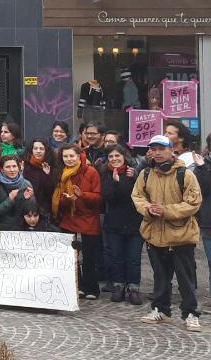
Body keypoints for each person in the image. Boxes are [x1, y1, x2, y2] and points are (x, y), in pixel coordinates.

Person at [132, 135, 202, 332]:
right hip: (155, 233)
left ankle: (190, 313)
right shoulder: (145, 173)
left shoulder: (185, 174)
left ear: (172, 150)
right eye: (153, 149)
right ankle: (161, 310)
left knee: (185, 278)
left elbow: (193, 203)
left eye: (161, 149)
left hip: (181, 236)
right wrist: (147, 208)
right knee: (160, 276)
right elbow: (137, 196)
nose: (157, 153)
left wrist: (167, 210)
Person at [53, 145, 103, 300]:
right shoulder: (61, 173)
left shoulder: (91, 172)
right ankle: (78, 285)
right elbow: (58, 199)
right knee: (72, 256)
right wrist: (67, 200)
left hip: (88, 219)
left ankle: (92, 288)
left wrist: (82, 196)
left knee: (89, 257)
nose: (69, 159)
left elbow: (98, 198)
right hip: (69, 218)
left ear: (79, 156)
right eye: (65, 156)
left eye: (71, 156)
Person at [100, 145, 144, 304]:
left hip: (134, 222)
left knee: (133, 258)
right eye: (111, 157)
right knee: (117, 257)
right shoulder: (106, 174)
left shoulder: (134, 172)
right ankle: (118, 286)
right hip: (115, 223)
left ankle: (133, 288)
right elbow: (108, 197)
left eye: (117, 156)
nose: (114, 159)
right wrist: (116, 183)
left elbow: (141, 194)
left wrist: (134, 177)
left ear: (124, 156)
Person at [0, 155, 34, 231]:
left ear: (18, 168)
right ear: (2, 169)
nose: (12, 170)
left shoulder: (26, 184)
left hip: (20, 228)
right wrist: (10, 199)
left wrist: (28, 200)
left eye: (14, 166)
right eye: (8, 167)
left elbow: (31, 211)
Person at [22, 139, 55, 213]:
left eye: (41, 149)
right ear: (31, 150)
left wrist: (47, 175)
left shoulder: (51, 165)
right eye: (35, 148)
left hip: (45, 209)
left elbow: (50, 192)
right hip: (28, 209)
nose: (38, 151)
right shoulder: (25, 166)